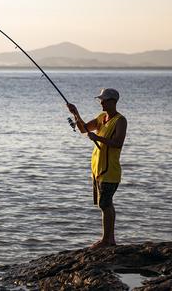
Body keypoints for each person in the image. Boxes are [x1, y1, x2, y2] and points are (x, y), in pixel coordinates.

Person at [67, 88, 127, 248]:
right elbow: (83, 129)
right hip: (98, 169)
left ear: (113, 101)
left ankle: (107, 240)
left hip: (110, 169)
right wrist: (76, 114)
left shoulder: (120, 120)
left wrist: (98, 137)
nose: (101, 102)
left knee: (105, 203)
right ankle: (109, 239)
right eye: (101, 99)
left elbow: (118, 143)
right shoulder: (102, 117)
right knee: (105, 204)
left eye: (104, 99)